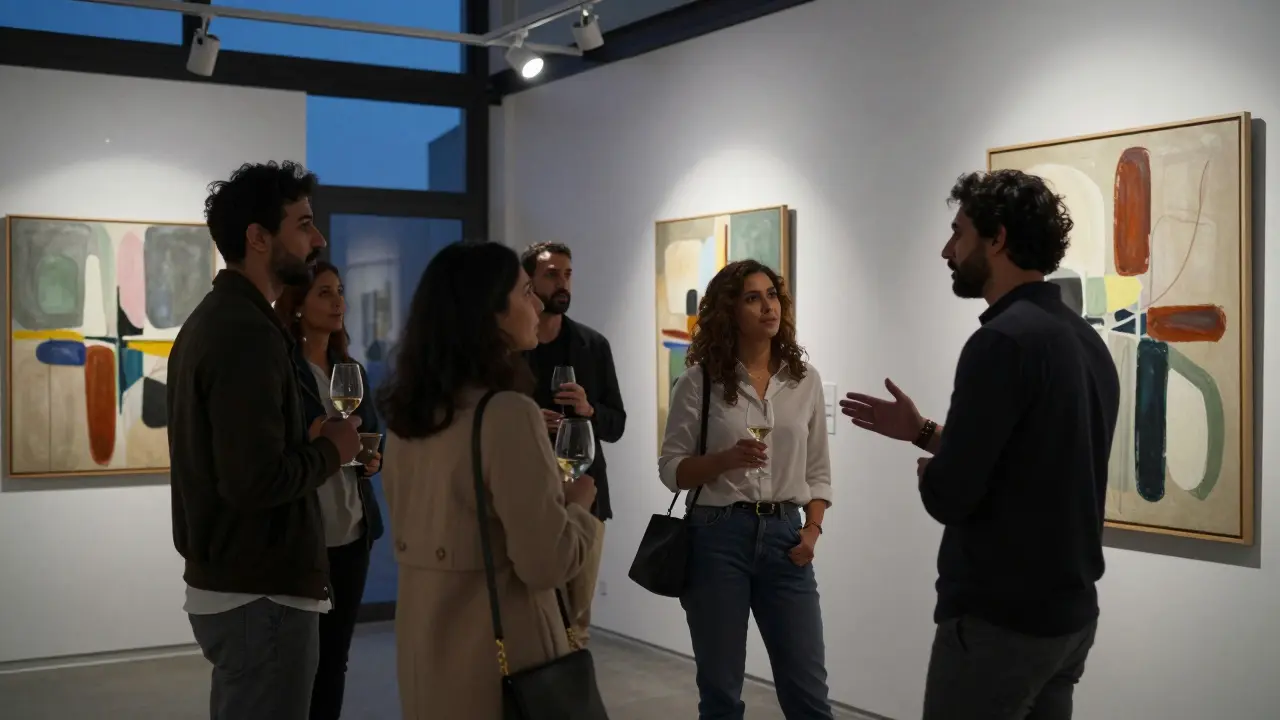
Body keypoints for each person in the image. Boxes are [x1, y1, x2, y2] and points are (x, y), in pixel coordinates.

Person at [840, 170, 1121, 720]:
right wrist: (924, 432)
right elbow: (1032, 463)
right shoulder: (1085, 341)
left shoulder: (999, 343)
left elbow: (951, 494)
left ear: (996, 239)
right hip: (1067, 618)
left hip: (1000, 623)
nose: (947, 249)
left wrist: (930, 474)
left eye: (959, 232)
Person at [168, 161, 363, 720]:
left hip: (244, 588)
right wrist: (333, 450)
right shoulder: (244, 333)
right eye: (303, 224)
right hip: (261, 595)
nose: (318, 238)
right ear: (258, 237)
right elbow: (254, 480)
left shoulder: (223, 321)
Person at [377, 240, 601, 720]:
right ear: (491, 313)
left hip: (425, 653)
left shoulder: (407, 417)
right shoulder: (507, 413)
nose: (538, 303)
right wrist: (578, 505)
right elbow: (546, 563)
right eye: (525, 292)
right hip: (501, 659)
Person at [659, 259, 834, 720]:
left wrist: (812, 530)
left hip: (787, 538)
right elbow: (671, 470)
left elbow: (818, 470)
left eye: (772, 296)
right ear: (728, 310)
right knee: (721, 693)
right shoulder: (699, 380)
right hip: (716, 537)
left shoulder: (804, 381)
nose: (767, 307)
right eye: (752, 298)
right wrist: (723, 460)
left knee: (809, 693)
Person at [273, 260, 385, 720]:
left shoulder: (350, 368)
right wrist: (317, 433)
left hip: (353, 531)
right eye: (325, 292)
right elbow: (284, 439)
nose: (339, 301)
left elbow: (371, 436)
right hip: (305, 534)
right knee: (298, 662)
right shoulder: (283, 368)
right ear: (298, 306)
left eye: (339, 291)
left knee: (335, 660)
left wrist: (374, 460)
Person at [519, 241, 626, 642]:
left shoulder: (592, 346)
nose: (562, 283)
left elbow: (616, 425)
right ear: (528, 282)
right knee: (530, 617)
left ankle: (570, 702)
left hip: (585, 495)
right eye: (551, 275)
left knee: (576, 623)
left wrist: (589, 409)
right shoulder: (511, 349)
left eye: (567, 274)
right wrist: (528, 422)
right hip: (526, 495)